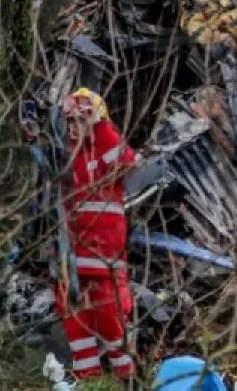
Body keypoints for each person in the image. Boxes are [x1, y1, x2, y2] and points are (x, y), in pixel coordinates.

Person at [56, 87, 139, 382]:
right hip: (71, 259)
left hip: (104, 258)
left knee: (111, 320)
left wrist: (99, 126)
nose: (73, 128)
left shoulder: (105, 149)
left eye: (80, 120)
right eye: (70, 121)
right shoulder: (66, 158)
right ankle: (89, 380)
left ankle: (128, 378)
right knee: (75, 321)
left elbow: (127, 161)